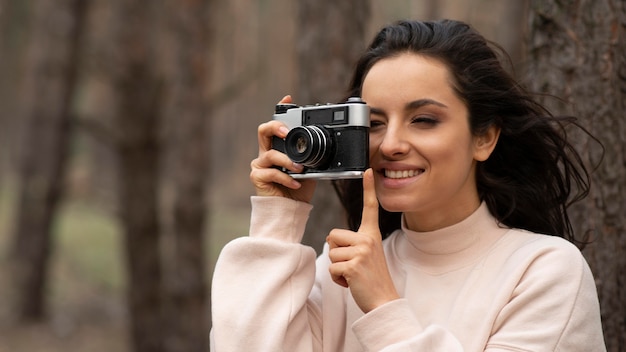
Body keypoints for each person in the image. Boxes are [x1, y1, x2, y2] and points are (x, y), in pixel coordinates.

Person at [210, 19, 606, 351]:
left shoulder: (544, 272)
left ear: (484, 137)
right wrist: (278, 220)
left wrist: (383, 307)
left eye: (424, 120)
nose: (392, 145)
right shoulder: (338, 276)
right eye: (375, 124)